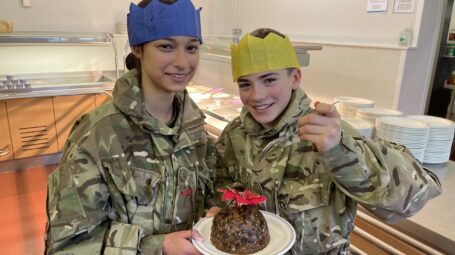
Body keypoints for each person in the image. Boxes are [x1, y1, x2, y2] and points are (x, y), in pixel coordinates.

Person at [211, 28, 442, 254]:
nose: (257, 95)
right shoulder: (234, 135)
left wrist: (340, 152)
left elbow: (416, 196)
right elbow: (221, 188)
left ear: (295, 78)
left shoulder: (327, 133)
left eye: (269, 80)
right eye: (245, 84)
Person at [44, 0, 216, 254]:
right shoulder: (97, 135)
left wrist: (217, 212)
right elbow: (66, 244)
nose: (182, 62)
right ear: (137, 48)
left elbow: (216, 188)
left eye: (191, 47)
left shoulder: (194, 130)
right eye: (166, 46)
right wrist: (157, 246)